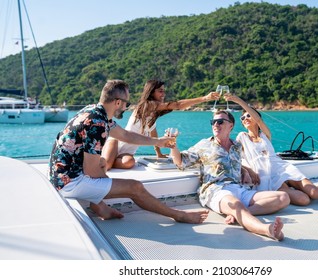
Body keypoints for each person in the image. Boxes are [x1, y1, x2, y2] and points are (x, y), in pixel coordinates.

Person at [49, 79, 209, 224]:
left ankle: (100, 207)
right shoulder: (96, 124)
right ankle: (179, 215)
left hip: (61, 174)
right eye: (126, 102)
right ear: (118, 102)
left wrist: (158, 142)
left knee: (103, 162)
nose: (127, 107)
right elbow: (92, 172)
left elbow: (125, 135)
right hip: (69, 182)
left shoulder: (93, 111)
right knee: (135, 187)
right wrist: (117, 186)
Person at [169, 109, 289, 241]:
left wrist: (246, 170)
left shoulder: (237, 146)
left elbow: (236, 162)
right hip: (216, 190)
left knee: (283, 197)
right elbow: (180, 162)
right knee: (237, 205)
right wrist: (173, 145)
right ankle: (267, 230)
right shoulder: (204, 145)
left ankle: (240, 214)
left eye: (220, 122)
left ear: (231, 125)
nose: (215, 125)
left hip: (239, 189)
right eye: (213, 122)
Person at [224, 93, 318, 206]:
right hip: (267, 177)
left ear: (257, 119)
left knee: (316, 193)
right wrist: (248, 170)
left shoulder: (265, 135)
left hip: (281, 168)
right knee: (303, 200)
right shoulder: (242, 137)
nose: (245, 118)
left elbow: (257, 118)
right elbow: (235, 158)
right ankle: (294, 188)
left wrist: (239, 101)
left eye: (248, 115)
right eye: (242, 118)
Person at [102, 79, 220, 170]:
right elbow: (178, 105)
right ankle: (105, 161)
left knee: (129, 162)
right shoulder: (146, 105)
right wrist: (205, 98)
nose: (163, 93)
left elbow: (154, 133)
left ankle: (108, 161)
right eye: (160, 91)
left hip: (127, 152)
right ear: (151, 92)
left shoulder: (151, 114)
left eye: (164, 90)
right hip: (116, 142)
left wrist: (158, 153)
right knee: (106, 166)